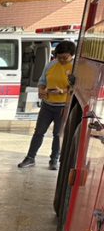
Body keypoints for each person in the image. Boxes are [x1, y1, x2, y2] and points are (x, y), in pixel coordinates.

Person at [18, 40, 76, 170]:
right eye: (59, 57)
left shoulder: (75, 68)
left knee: (57, 134)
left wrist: (63, 91)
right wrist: (41, 90)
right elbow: (42, 81)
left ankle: (54, 160)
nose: (61, 60)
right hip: (47, 105)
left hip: (63, 106)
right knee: (39, 132)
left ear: (72, 55)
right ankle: (30, 158)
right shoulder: (51, 64)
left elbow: (76, 87)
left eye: (65, 58)